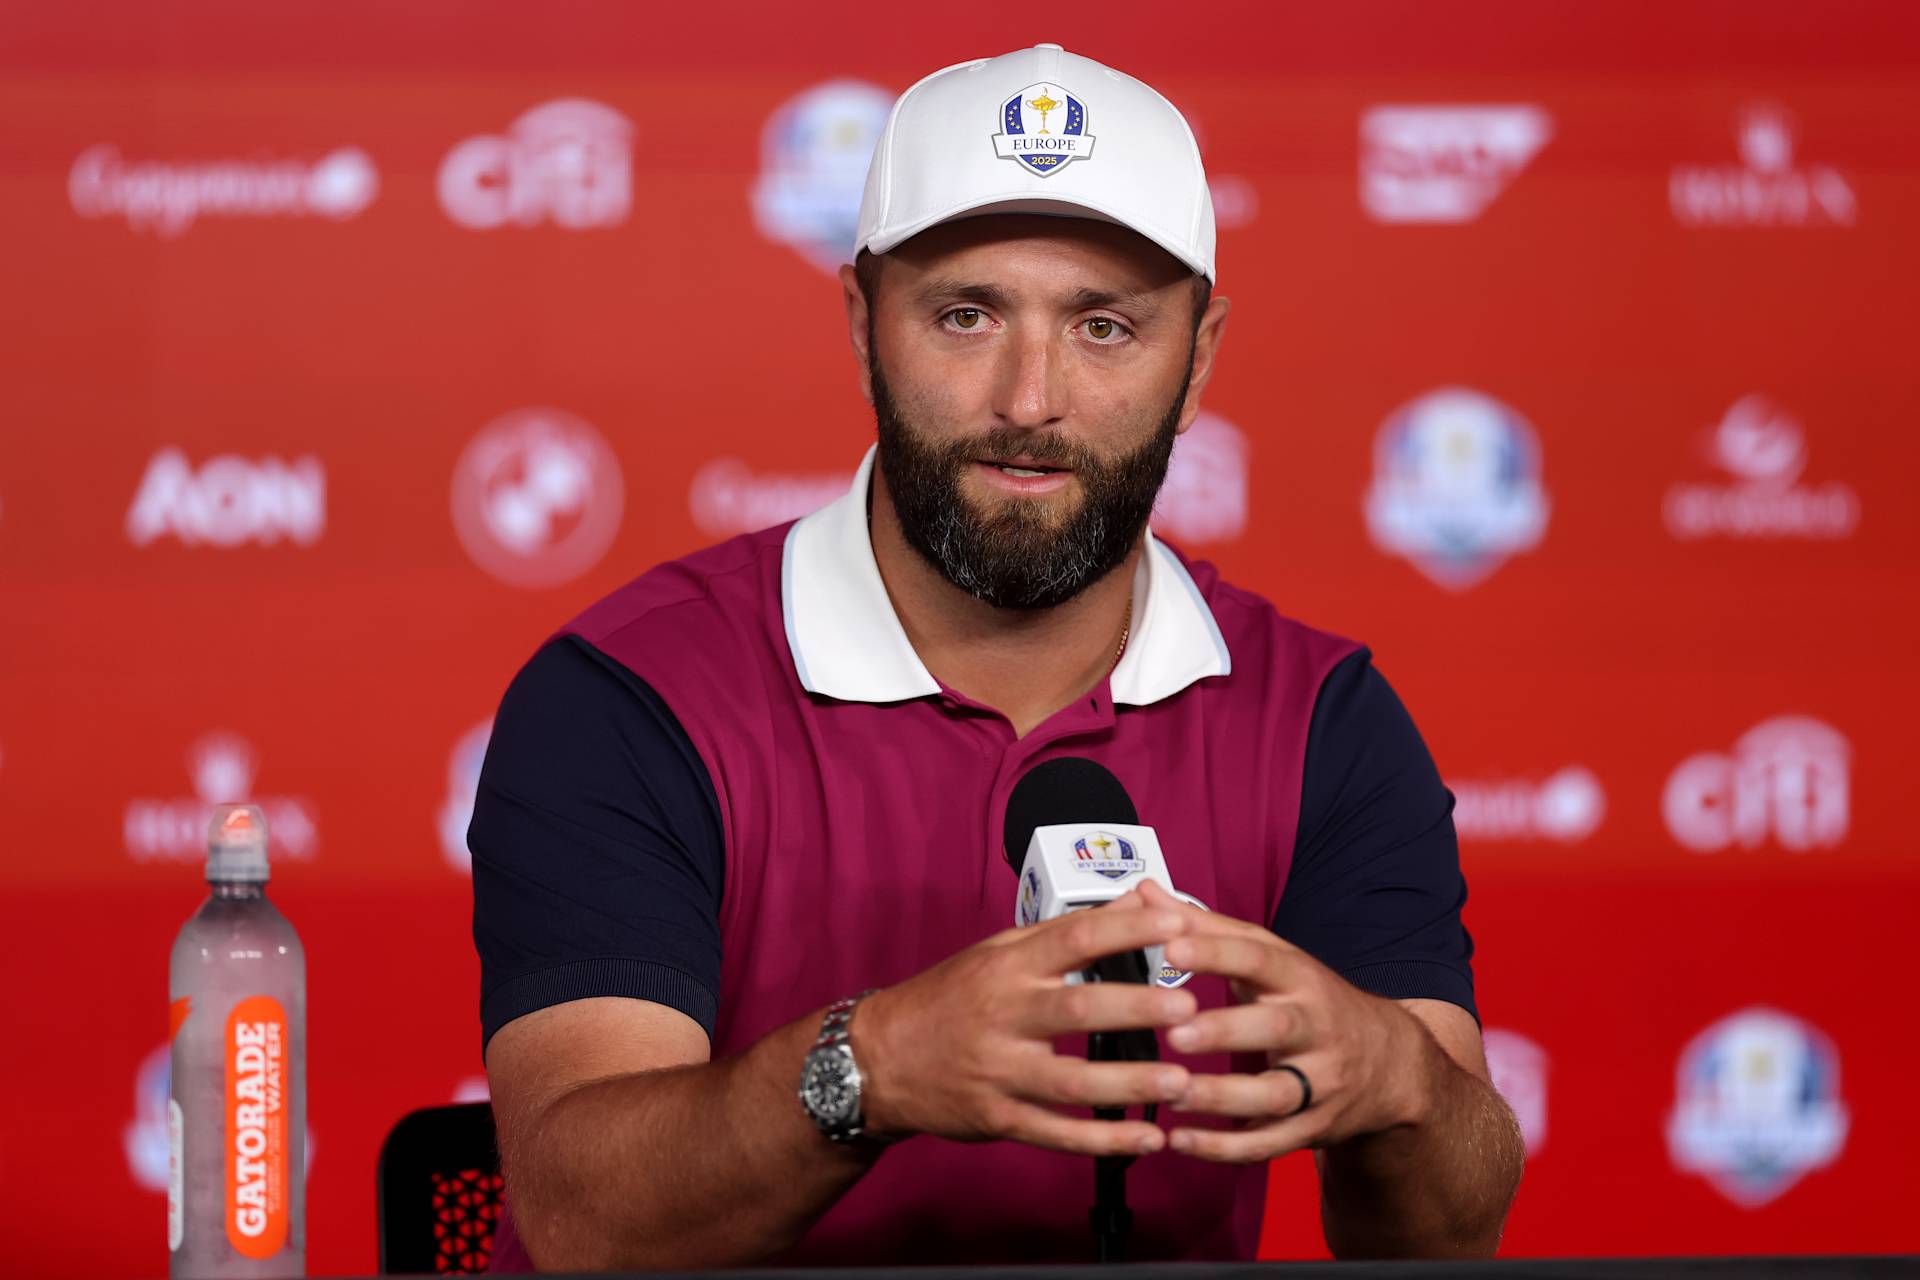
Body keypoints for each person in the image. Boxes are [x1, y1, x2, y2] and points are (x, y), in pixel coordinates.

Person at [469, 42, 1523, 1271]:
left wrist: (1402, 1084)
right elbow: (584, 1216)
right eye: (966, 314)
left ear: (1201, 360)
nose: (1031, 397)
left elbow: (1444, 1234)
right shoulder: (633, 695)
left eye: (1105, 326)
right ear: (864, 325)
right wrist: (870, 1066)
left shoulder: (1322, 717)